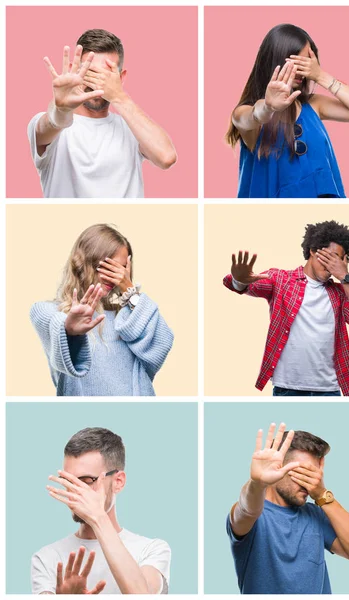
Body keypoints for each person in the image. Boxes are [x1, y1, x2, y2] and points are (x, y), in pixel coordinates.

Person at [223, 220, 349, 396]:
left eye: (337, 261)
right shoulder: (281, 280)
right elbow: (247, 285)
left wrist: (345, 277)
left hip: (328, 390)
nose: (331, 266)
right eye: (328, 257)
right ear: (312, 250)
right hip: (287, 388)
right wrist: (239, 280)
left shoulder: (341, 293)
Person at [226, 23, 349, 198]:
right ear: (276, 60)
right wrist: (268, 107)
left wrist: (321, 76)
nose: (301, 70)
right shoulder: (244, 112)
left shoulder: (313, 105)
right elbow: (252, 116)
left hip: (320, 219)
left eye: (306, 63)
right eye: (295, 61)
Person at [28, 29, 177, 198]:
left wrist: (119, 96)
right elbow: (50, 124)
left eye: (105, 75)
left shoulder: (131, 127)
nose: (96, 83)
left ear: (121, 78)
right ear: (74, 71)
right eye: (89, 73)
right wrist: (61, 109)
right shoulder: (50, 127)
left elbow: (166, 157)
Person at [227, 422, 349, 594]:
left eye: (313, 475)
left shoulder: (315, 514)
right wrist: (257, 483)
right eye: (301, 474)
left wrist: (322, 495)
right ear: (278, 468)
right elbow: (246, 510)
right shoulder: (254, 515)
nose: (309, 484)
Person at [30, 224, 174, 396]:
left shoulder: (128, 317)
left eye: (121, 269)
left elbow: (161, 345)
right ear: (87, 261)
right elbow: (56, 330)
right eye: (109, 266)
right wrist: (70, 329)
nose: (116, 276)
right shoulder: (50, 311)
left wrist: (130, 292)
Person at [32, 427, 171, 594]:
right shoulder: (47, 558)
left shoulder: (151, 550)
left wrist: (98, 517)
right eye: (68, 481)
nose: (75, 491)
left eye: (86, 480)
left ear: (118, 481)